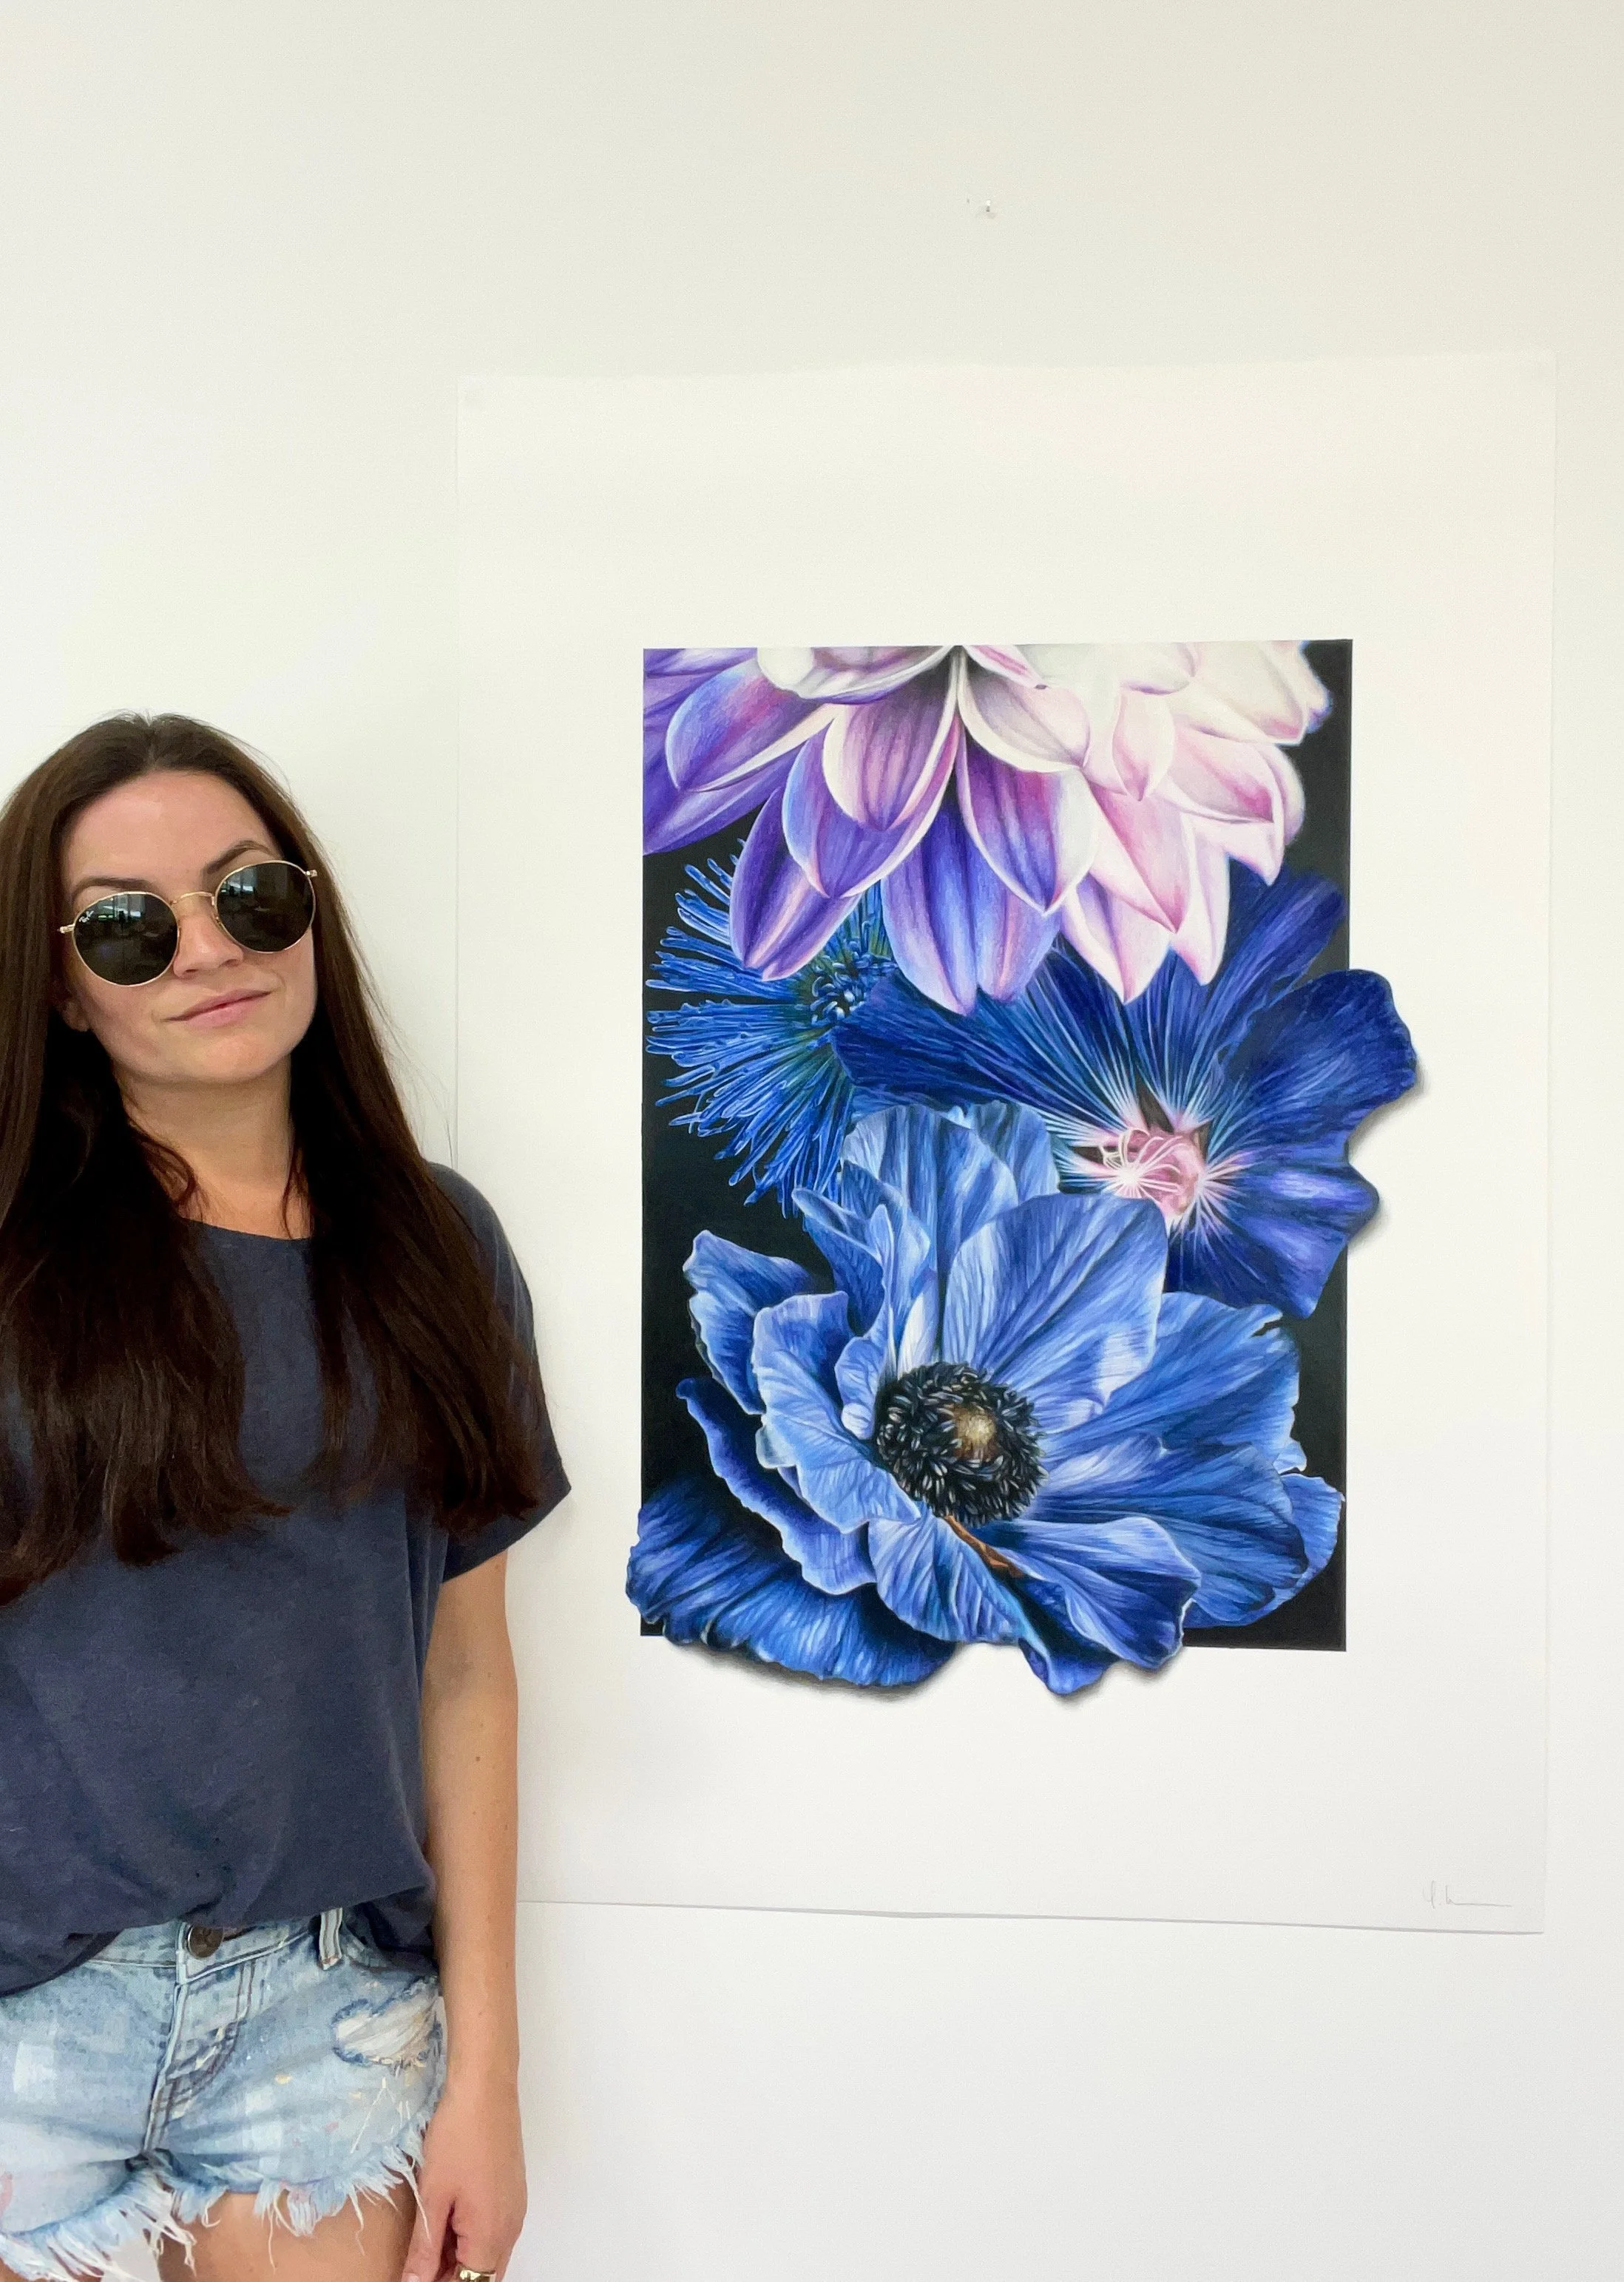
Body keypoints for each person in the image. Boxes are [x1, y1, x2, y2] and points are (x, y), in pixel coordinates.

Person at [0, 715, 569, 2282]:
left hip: (328, 2021)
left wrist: (489, 2079)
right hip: (26, 2019)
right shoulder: (15, 1262)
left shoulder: (442, 1250)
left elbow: (467, 1672)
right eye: (130, 923)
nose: (205, 950)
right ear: (61, 982)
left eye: (250, 893)